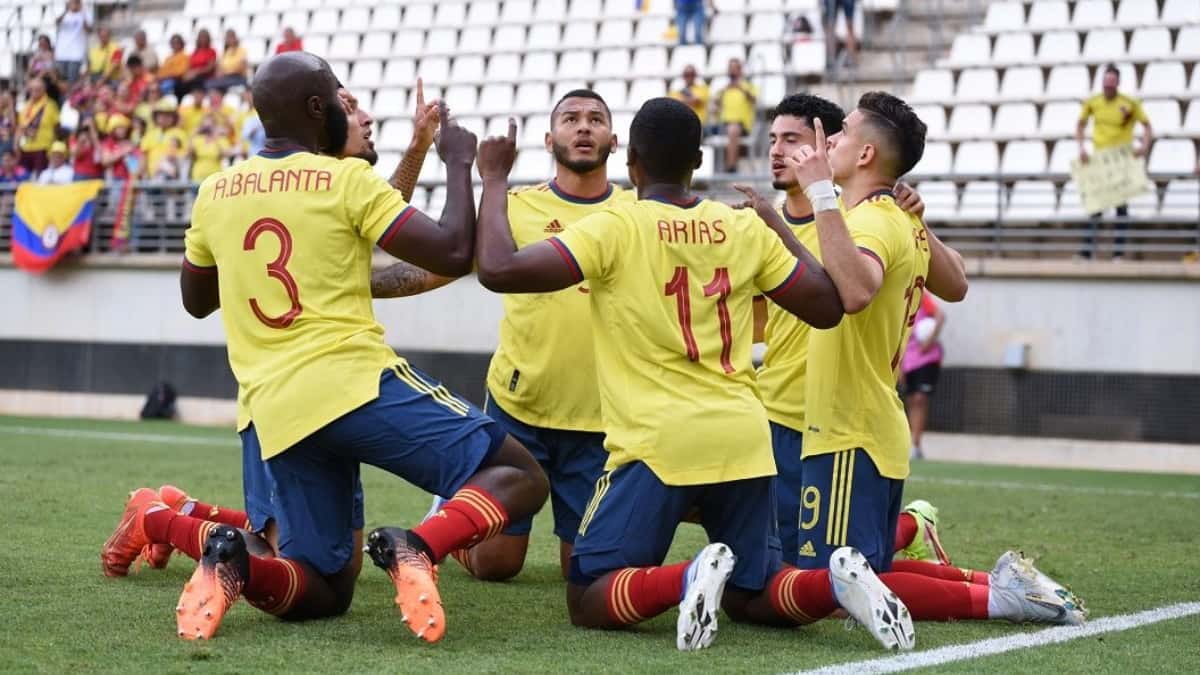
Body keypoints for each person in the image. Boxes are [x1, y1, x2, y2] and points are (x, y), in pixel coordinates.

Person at [104, 53, 549, 643]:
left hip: (272, 410)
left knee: (324, 585)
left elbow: (195, 300)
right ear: (319, 110)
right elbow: (446, 252)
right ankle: (420, 545)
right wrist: (463, 162)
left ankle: (200, 539)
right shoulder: (343, 181)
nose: (352, 111)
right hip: (354, 385)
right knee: (518, 474)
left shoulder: (216, 191)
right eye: (342, 101)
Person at [474, 97, 923, 651]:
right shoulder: (739, 227)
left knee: (588, 592)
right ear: (699, 160)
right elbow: (828, 307)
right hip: (742, 436)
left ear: (631, 159)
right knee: (754, 593)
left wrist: (493, 178)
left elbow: (497, 268)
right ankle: (831, 582)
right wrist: (776, 231)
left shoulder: (615, 224)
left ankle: (688, 576)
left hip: (659, 441)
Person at [785, 91, 1084, 626]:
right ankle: (998, 585)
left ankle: (998, 599)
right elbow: (957, 281)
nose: (828, 139)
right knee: (862, 572)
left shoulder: (871, 221)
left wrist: (820, 194)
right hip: (868, 423)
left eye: (843, 131)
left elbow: (854, 290)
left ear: (866, 155)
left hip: (850, 427)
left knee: (841, 587)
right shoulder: (891, 216)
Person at [394, 89, 633, 582]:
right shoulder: (515, 205)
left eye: (595, 119)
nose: (583, 127)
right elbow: (441, 271)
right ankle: (451, 504)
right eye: (570, 119)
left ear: (615, 140)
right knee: (496, 565)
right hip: (520, 404)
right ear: (548, 140)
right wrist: (357, 284)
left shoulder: (635, 213)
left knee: (585, 572)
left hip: (601, 415)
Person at [1077, 65, 1153, 260]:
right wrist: (1081, 147)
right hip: (1100, 160)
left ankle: (1118, 253)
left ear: (1117, 83)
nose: (1108, 86)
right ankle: (1087, 252)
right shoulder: (1093, 102)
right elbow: (1080, 124)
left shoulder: (1129, 104)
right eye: (1105, 82)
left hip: (1120, 160)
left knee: (1121, 208)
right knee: (1096, 207)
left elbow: (1147, 126)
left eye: (1111, 82)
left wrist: (1144, 146)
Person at [900, 293, 943, 460]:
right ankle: (910, 443)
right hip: (907, 360)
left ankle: (916, 444)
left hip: (926, 359)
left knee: (919, 399)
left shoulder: (920, 295)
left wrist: (929, 341)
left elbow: (940, 316)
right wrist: (900, 366)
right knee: (910, 400)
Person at [716, 58, 757, 173]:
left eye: (735, 68)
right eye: (731, 69)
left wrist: (741, 88)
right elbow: (715, 106)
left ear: (740, 70)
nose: (732, 71)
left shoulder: (748, 86)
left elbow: (754, 100)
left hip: (742, 125)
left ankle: (731, 167)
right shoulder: (724, 88)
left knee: (733, 129)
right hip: (724, 125)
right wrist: (723, 92)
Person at [17, 76, 60, 176]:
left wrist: (52, 149)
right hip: (26, 148)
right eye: (32, 89)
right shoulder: (26, 106)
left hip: (43, 148)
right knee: (24, 180)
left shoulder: (51, 105)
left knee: (40, 179)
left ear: (44, 90)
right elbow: (21, 127)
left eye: (38, 89)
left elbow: (57, 128)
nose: (34, 91)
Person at [54, 0, 92, 83]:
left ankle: (71, 96)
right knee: (61, 81)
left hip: (76, 54)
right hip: (62, 54)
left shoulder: (85, 14)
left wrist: (82, 12)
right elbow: (56, 22)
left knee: (72, 81)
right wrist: (66, 10)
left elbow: (89, 30)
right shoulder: (65, 14)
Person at [176, 29, 218, 99]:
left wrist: (196, 72)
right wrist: (187, 74)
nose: (203, 39)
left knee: (194, 83)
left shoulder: (211, 51)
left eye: (204, 37)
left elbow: (210, 67)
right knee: (179, 84)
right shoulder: (195, 52)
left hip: (205, 76)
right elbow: (189, 66)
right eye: (201, 37)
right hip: (193, 76)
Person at [100, 114, 138, 180]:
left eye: (123, 128)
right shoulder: (109, 142)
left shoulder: (130, 142)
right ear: (113, 129)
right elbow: (105, 161)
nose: (122, 131)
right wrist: (123, 152)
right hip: (115, 178)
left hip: (130, 178)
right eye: (119, 128)